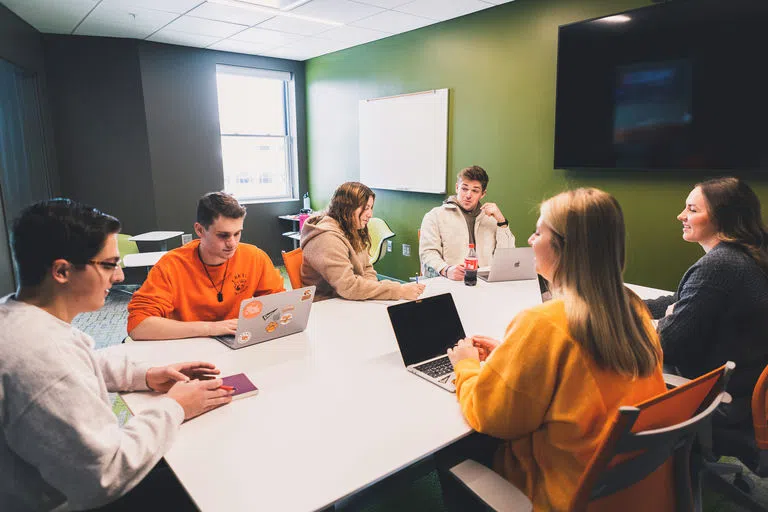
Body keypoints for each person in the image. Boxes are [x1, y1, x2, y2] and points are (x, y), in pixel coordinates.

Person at [0, 198, 233, 511]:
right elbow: (106, 475)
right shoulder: (42, 357)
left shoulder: (19, 317)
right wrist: (176, 406)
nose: (120, 276)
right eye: (109, 265)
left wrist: (145, 375)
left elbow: (81, 362)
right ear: (62, 271)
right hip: (73, 501)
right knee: (212, 477)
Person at [446, 188, 669, 511]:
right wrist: (510, 355)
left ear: (565, 248)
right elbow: (579, 377)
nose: (531, 240)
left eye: (538, 232)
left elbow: (490, 416)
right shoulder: (632, 309)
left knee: (455, 449)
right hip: (625, 488)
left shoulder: (544, 323)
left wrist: (466, 366)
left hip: (560, 492)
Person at [645, 177, 768, 427]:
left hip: (720, 395)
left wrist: (668, 319)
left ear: (723, 218)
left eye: (692, 210)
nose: (681, 216)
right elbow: (686, 299)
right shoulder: (746, 254)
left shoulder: (719, 266)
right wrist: (633, 306)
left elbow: (667, 345)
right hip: (747, 383)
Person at [128, 192, 285, 340]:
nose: (232, 243)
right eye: (223, 235)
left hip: (236, 343)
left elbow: (280, 303)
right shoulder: (171, 265)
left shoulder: (254, 257)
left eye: (237, 233)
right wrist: (211, 328)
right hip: (187, 347)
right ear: (200, 230)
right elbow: (138, 325)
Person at [301, 182, 425, 301]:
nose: (370, 214)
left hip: (346, 299)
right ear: (347, 209)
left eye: (371, 208)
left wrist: (372, 289)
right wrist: (399, 290)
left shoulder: (352, 228)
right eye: (365, 208)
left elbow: (366, 268)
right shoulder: (326, 239)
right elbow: (348, 287)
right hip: (326, 304)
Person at [419, 165, 515, 280]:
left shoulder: (491, 219)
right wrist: (446, 270)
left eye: (475, 191)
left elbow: (508, 257)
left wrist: (502, 222)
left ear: (483, 194)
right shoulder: (435, 216)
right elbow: (427, 252)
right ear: (457, 188)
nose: (468, 195)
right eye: (464, 188)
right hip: (451, 281)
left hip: (485, 283)